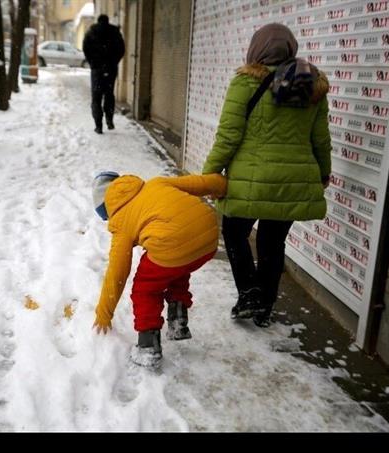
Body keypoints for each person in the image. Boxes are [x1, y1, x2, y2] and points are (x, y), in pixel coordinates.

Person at [202, 23, 331, 328]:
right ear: (290, 49)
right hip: (291, 182)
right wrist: (324, 172)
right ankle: (265, 306)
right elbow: (320, 139)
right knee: (273, 244)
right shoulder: (310, 85)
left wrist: (209, 174)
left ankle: (248, 294)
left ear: (256, 49)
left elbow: (228, 137)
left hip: (250, 179)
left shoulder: (245, 83)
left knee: (235, 233)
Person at [91, 171, 227, 368]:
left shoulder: (120, 222)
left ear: (106, 209)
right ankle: (178, 318)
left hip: (172, 244)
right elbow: (199, 183)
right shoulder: (155, 184)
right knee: (177, 266)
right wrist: (221, 185)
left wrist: (104, 314)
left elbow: (117, 272)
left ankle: (148, 347)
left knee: (145, 288)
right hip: (208, 236)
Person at [82, 15, 125, 134]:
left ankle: (98, 126)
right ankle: (109, 120)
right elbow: (121, 49)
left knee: (96, 97)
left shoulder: (91, 32)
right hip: (111, 69)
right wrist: (114, 62)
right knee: (109, 94)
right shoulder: (115, 32)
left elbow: (85, 48)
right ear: (107, 21)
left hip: (97, 70)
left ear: (98, 21)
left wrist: (92, 63)